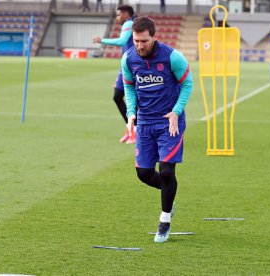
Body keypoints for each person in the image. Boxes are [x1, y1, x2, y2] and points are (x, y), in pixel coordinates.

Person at [121, 17, 193, 243]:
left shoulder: (173, 57)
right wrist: (131, 113)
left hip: (169, 122)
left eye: (144, 41)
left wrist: (176, 111)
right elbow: (129, 87)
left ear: (154, 37)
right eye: (136, 41)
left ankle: (164, 220)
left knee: (167, 172)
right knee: (143, 174)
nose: (140, 46)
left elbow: (188, 84)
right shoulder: (128, 58)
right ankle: (168, 197)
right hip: (145, 123)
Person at [93, 5, 136, 144]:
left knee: (130, 99)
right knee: (117, 96)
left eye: (118, 15)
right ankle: (130, 128)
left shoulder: (129, 23)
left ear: (125, 13)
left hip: (133, 66)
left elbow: (121, 41)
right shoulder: (129, 24)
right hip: (125, 66)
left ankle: (136, 130)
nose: (117, 18)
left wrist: (102, 40)